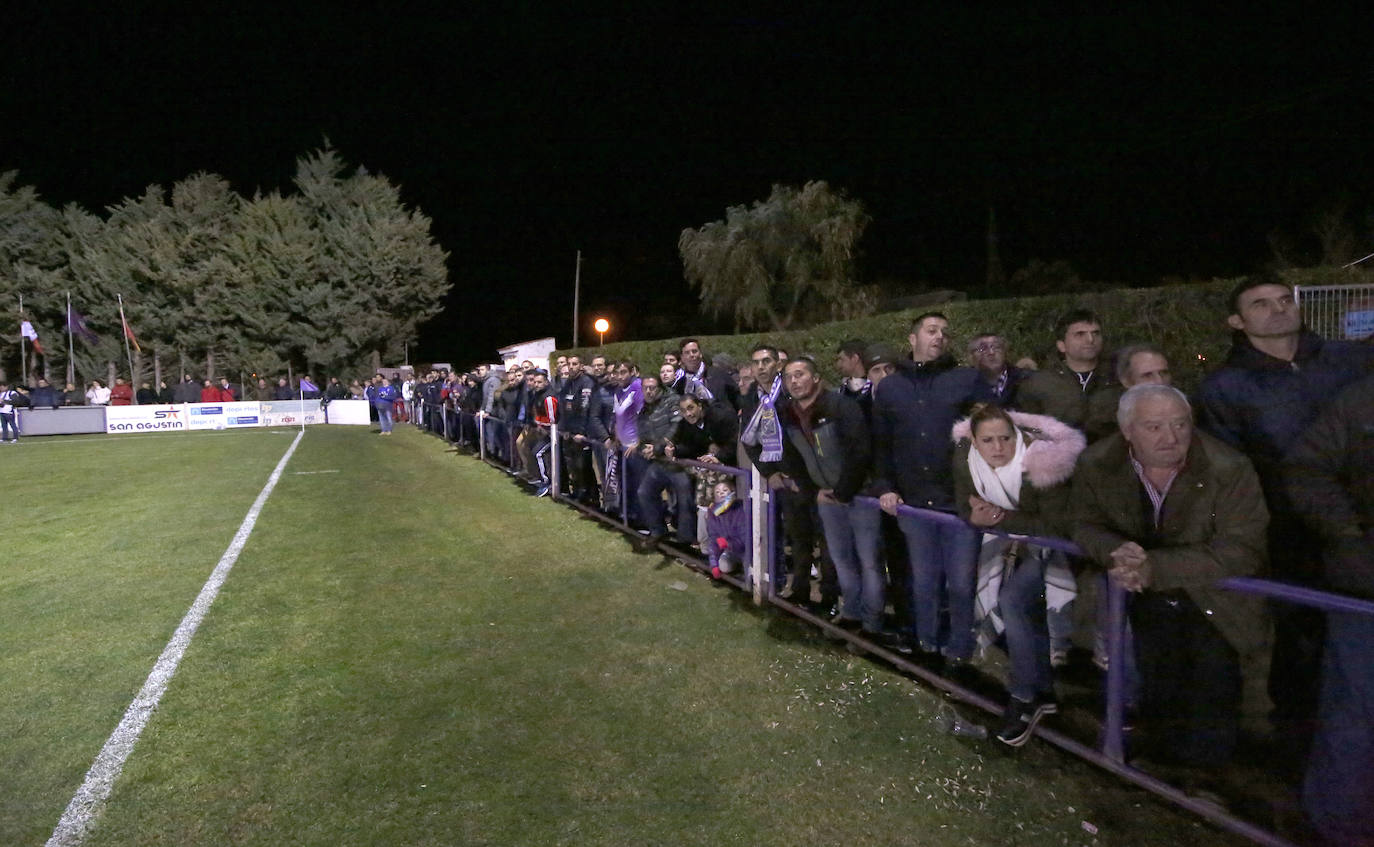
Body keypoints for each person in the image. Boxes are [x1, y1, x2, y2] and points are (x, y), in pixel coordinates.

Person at [1197, 274, 1374, 739]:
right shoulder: (1223, 387)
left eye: (1283, 299)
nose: (1278, 309)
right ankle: (1299, 736)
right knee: (1300, 639)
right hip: (1286, 534)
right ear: (1236, 321)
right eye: (1261, 304)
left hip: (1360, 524)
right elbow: (1229, 466)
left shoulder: (1349, 360)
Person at [1072, 384, 1270, 779]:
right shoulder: (1098, 463)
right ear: (1127, 430)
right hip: (1145, 598)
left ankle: (1208, 782)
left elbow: (1243, 549)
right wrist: (1117, 551)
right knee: (1158, 680)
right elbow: (1082, 523)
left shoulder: (1228, 468)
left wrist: (1156, 568)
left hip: (1216, 599)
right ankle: (1162, 775)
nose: (1171, 437)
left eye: (1180, 424)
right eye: (1154, 427)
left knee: (1214, 686)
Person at [952, 404, 1085, 745]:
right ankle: (1043, 689)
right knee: (1020, 610)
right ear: (974, 442)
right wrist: (975, 518)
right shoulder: (966, 457)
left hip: (1059, 549)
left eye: (1005, 438)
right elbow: (963, 502)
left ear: (1018, 436)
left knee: (1012, 600)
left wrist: (997, 519)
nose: (998, 448)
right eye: (989, 440)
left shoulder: (1042, 462)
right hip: (1011, 545)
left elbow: (1054, 524)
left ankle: (1025, 697)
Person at [1282, 375, 1374, 847]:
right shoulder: (1360, 399)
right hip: (1365, 590)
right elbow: (1307, 468)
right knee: (1357, 712)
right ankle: (1337, 826)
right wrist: (1350, 539)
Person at [872, 313, 993, 665]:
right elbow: (883, 444)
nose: (939, 337)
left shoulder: (967, 380)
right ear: (912, 339)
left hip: (959, 503)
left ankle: (958, 652)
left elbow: (994, 435)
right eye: (931, 330)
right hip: (914, 503)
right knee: (923, 582)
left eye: (944, 332)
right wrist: (886, 487)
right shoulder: (891, 387)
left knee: (959, 585)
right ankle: (927, 646)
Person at [776, 357, 886, 636]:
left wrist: (842, 491)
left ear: (816, 378)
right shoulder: (787, 414)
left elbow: (860, 452)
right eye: (789, 377)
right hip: (827, 499)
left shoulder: (841, 407)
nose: (794, 381)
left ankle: (872, 622)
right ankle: (851, 613)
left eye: (800, 374)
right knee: (841, 560)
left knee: (869, 562)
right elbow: (792, 459)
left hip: (859, 497)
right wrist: (815, 492)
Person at [1016, 309, 1121, 442]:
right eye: (1080, 334)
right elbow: (1025, 426)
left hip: (1111, 457)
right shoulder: (1038, 382)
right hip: (1060, 457)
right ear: (1061, 345)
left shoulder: (1119, 376)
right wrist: (1046, 439)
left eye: (1096, 333)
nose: (1090, 339)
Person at [705, 479, 750, 581]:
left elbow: (746, 539)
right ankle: (738, 567)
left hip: (747, 551)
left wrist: (729, 543)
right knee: (724, 566)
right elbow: (713, 538)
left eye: (725, 490)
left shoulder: (740, 509)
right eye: (717, 491)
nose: (721, 493)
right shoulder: (713, 512)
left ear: (732, 492)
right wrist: (714, 564)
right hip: (731, 551)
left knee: (751, 574)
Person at [967, 333, 1027, 407]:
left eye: (997, 347)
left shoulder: (1024, 380)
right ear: (971, 357)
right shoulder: (964, 386)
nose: (991, 352)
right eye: (982, 349)